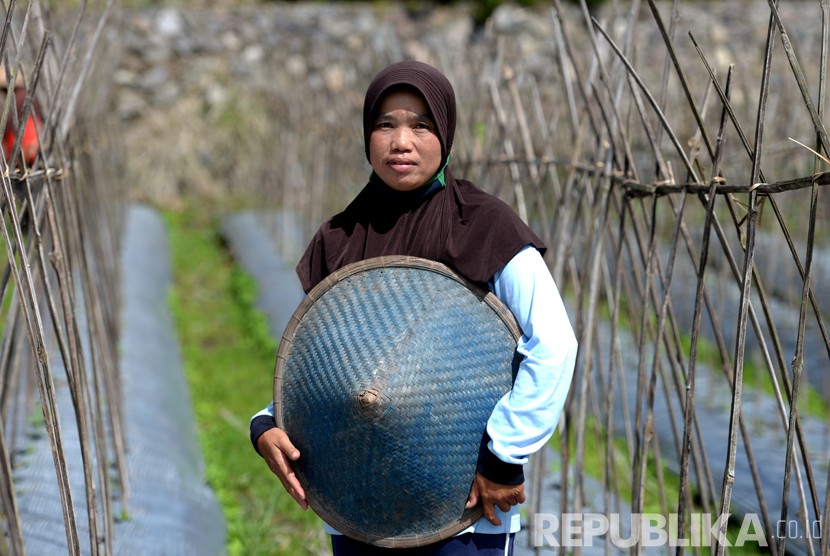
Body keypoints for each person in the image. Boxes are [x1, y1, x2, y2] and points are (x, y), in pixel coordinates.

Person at [250, 60, 578, 555]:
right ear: (367, 136)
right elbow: (318, 365)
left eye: (421, 125)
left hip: (465, 512)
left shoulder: (484, 226)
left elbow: (554, 344)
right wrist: (266, 424)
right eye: (386, 124)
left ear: (445, 132)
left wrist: (502, 458)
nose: (401, 141)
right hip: (359, 508)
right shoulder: (339, 239)